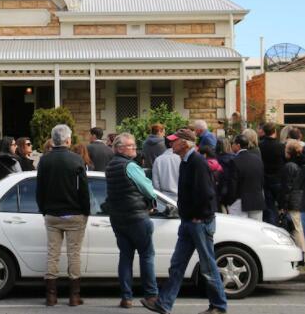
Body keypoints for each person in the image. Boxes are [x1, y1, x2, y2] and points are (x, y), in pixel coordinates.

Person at [141, 129, 226, 314]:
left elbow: (207, 193)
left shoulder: (196, 162)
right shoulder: (186, 161)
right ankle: (164, 304)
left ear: (186, 143)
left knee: (208, 266)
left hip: (198, 222)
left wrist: (198, 215)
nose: (171, 144)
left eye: (175, 141)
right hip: (189, 221)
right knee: (177, 265)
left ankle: (219, 306)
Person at [36, 125, 90, 307]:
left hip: (52, 213)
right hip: (74, 213)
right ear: (68, 140)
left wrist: (43, 209)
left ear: (53, 140)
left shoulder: (44, 161)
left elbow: (39, 189)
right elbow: (83, 190)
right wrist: (86, 211)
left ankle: (51, 296)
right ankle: (74, 296)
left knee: (53, 254)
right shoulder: (77, 160)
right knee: (74, 254)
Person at [106, 133, 158, 309]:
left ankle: (126, 297)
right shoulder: (130, 166)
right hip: (137, 217)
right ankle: (151, 296)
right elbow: (149, 189)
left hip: (118, 218)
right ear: (120, 148)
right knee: (147, 255)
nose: (135, 148)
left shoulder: (110, 166)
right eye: (131, 146)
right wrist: (151, 201)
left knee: (125, 257)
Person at [226, 135, 265, 221]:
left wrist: (229, 201)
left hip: (240, 201)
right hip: (257, 199)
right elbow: (262, 180)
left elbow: (233, 184)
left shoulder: (234, 161)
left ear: (238, 145)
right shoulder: (257, 160)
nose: (232, 145)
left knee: (240, 230)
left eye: (233, 143)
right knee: (256, 229)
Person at [280, 140, 305, 253]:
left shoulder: (289, 166)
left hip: (293, 201)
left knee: (296, 228)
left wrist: (282, 205)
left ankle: (302, 252)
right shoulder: (300, 164)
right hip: (299, 199)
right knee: (297, 227)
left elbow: (287, 188)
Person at [259, 122, 285, 225]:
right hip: (278, 180)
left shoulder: (260, 146)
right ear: (274, 132)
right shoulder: (281, 146)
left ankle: (273, 226)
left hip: (265, 179)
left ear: (264, 132)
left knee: (269, 207)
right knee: (282, 206)